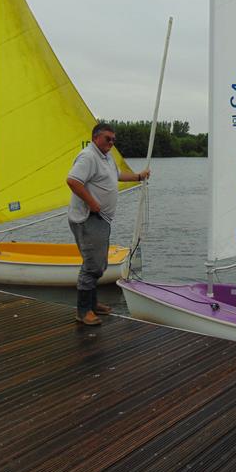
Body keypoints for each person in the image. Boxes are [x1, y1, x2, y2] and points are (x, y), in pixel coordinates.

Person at [66, 123, 150, 325]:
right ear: (96, 138)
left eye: (113, 140)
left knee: (99, 264)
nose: (111, 143)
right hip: (88, 218)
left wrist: (139, 176)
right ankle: (83, 310)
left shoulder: (106, 157)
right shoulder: (88, 157)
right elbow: (72, 180)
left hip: (101, 219)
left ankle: (93, 304)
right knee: (92, 265)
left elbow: (117, 175)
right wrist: (92, 203)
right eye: (107, 139)